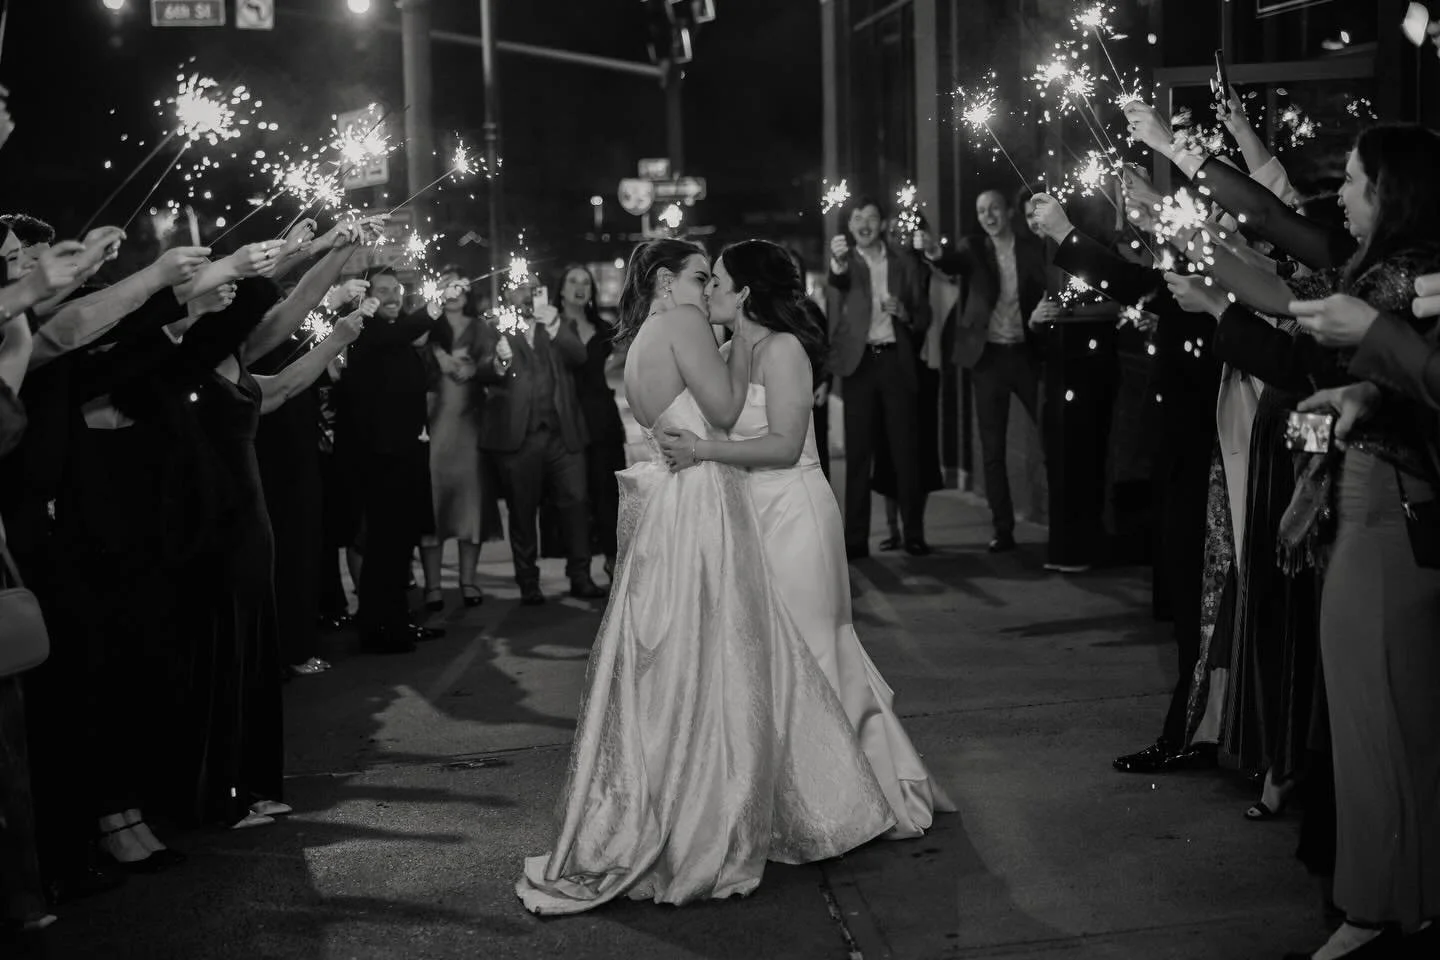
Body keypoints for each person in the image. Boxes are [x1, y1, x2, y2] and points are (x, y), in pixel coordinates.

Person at [516, 239, 894, 915]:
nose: (706, 288)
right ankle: (717, 815)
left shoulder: (639, 341)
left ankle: (682, 804)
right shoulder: (684, 322)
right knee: (718, 664)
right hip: (699, 504)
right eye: (698, 276)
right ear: (666, 282)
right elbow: (722, 412)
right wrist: (735, 341)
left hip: (669, 504)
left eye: (715, 279)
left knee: (679, 669)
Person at [658, 239, 954, 837]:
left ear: (744, 293)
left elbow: (785, 444)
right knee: (772, 661)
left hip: (794, 512)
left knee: (817, 656)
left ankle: (859, 798)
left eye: (716, 281)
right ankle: (797, 798)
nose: (709, 290)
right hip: (751, 513)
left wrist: (701, 452)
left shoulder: (785, 349)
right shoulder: (732, 348)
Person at [920, 189, 1048, 553]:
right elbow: (952, 262)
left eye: (994, 208)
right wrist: (933, 252)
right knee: (992, 449)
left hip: (1027, 354)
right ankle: (1002, 529)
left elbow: (1049, 284)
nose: (988, 216)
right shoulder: (973, 248)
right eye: (981, 211)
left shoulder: (1029, 247)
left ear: (1008, 211)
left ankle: (1063, 520)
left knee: (1052, 434)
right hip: (988, 359)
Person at [472, 277, 607, 606]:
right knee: (522, 511)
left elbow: (579, 357)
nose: (528, 293)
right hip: (519, 437)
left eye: (533, 287)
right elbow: (481, 369)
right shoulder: (492, 326)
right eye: (520, 288)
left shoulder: (558, 323)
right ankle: (528, 582)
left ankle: (580, 576)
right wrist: (500, 362)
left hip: (562, 434)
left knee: (576, 503)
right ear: (506, 293)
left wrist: (558, 325)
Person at [827, 196, 932, 559]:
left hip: (895, 363)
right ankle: (855, 540)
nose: (865, 223)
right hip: (859, 367)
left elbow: (924, 315)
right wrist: (837, 261)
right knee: (858, 456)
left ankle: (914, 534)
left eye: (871, 216)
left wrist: (904, 312)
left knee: (905, 452)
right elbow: (836, 280)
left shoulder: (903, 261)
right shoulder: (846, 261)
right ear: (851, 225)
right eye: (858, 218)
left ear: (883, 223)